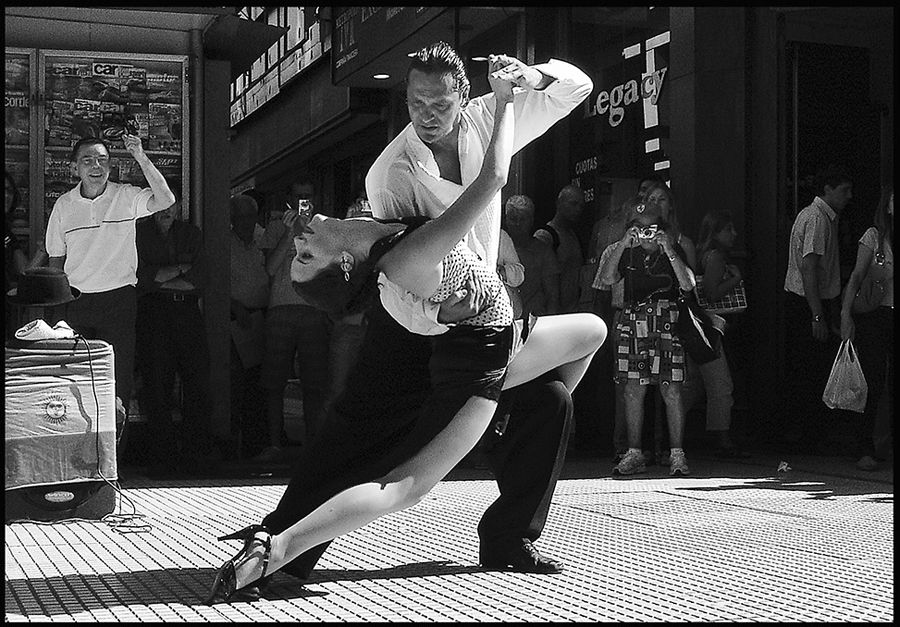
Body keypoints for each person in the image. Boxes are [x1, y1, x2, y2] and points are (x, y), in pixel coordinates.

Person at [206, 59, 605, 603]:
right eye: (417, 104)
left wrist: (524, 80)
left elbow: (576, 86)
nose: (428, 115)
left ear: (462, 96)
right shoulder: (391, 182)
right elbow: (415, 272)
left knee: (556, 392)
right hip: (434, 335)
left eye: (439, 103)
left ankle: (508, 533)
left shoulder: (479, 130)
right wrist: (443, 316)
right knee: (373, 452)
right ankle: (284, 548)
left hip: (486, 338)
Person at [44, 135, 176, 426]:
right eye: (88, 160)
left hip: (118, 302)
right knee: (74, 380)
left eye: (102, 160)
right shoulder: (64, 206)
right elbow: (56, 261)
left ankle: (113, 461)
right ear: (74, 167)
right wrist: (58, 312)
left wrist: (140, 155)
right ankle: (80, 457)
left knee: (116, 381)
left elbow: (166, 199)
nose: (96, 166)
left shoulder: (125, 196)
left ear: (111, 166)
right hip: (75, 301)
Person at [597, 196, 696, 476]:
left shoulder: (672, 249)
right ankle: (634, 452)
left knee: (671, 389)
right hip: (633, 319)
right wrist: (622, 245)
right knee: (632, 389)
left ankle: (677, 453)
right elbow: (606, 279)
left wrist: (669, 249)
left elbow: (687, 284)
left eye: (650, 227)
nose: (645, 233)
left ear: (661, 228)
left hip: (666, 320)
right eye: (638, 227)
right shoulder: (625, 251)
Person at [135, 194, 215, 475]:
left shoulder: (191, 234)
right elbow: (138, 278)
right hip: (153, 315)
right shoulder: (139, 233)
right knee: (157, 385)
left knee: (198, 382)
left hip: (188, 314)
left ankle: (196, 455)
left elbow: (200, 279)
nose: (165, 211)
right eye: (159, 205)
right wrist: (180, 270)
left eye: (170, 206)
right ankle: (162, 458)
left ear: (178, 207)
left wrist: (160, 279)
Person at [255, 181, 330, 463]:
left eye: (307, 196)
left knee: (315, 382)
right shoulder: (276, 227)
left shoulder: (325, 227)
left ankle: (314, 447)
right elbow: (270, 269)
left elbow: (330, 270)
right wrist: (289, 232)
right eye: (298, 196)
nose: (303, 201)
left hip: (313, 310)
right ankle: (274, 444)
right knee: (274, 381)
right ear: (288, 198)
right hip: (280, 309)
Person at [781, 165, 853, 453]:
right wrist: (817, 314)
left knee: (810, 368)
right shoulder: (818, 218)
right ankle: (808, 435)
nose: (849, 196)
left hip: (813, 300)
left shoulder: (820, 217)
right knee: (811, 370)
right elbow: (809, 268)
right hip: (807, 302)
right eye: (844, 190)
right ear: (827, 190)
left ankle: (810, 433)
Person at [840, 184, 893, 471]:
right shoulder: (874, 237)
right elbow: (857, 276)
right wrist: (845, 314)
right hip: (876, 315)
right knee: (871, 380)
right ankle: (864, 446)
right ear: (887, 205)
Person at [692, 210, 747, 458]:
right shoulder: (715, 257)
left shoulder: (701, 253)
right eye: (728, 230)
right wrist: (735, 280)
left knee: (695, 384)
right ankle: (721, 438)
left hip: (700, 325)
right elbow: (713, 293)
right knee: (721, 385)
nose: (733, 234)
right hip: (711, 325)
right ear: (715, 233)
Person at [229, 193, 270, 458]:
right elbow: (216, 282)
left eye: (250, 217)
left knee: (261, 386)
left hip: (261, 320)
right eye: (241, 218)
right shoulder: (224, 243)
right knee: (236, 386)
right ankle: (235, 445)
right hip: (234, 322)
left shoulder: (262, 238)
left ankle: (260, 442)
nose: (247, 222)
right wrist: (234, 306)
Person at [504, 194, 560, 316]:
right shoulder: (497, 246)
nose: (518, 224)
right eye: (513, 218)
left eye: (523, 219)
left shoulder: (543, 251)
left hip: (534, 319)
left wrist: (551, 324)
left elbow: (553, 295)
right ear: (506, 219)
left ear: (531, 220)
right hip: (503, 318)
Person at [534, 185, 586, 313]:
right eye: (573, 204)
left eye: (581, 206)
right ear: (559, 203)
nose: (578, 209)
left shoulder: (574, 235)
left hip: (572, 311)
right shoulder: (545, 236)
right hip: (551, 312)